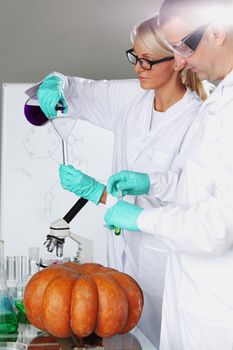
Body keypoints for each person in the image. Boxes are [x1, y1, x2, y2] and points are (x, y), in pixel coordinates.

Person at [33, 14, 210, 348]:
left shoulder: (199, 119)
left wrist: (99, 194)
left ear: (176, 61)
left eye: (146, 60)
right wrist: (52, 84)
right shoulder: (131, 97)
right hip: (118, 270)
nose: (137, 67)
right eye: (134, 56)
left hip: (165, 270)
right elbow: (73, 89)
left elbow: (190, 205)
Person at [104, 1, 233, 349]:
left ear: (217, 32)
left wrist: (143, 219)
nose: (179, 62)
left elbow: (216, 228)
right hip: (193, 300)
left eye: (183, 47)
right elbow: (201, 189)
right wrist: (152, 183)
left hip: (217, 313)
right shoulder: (221, 102)